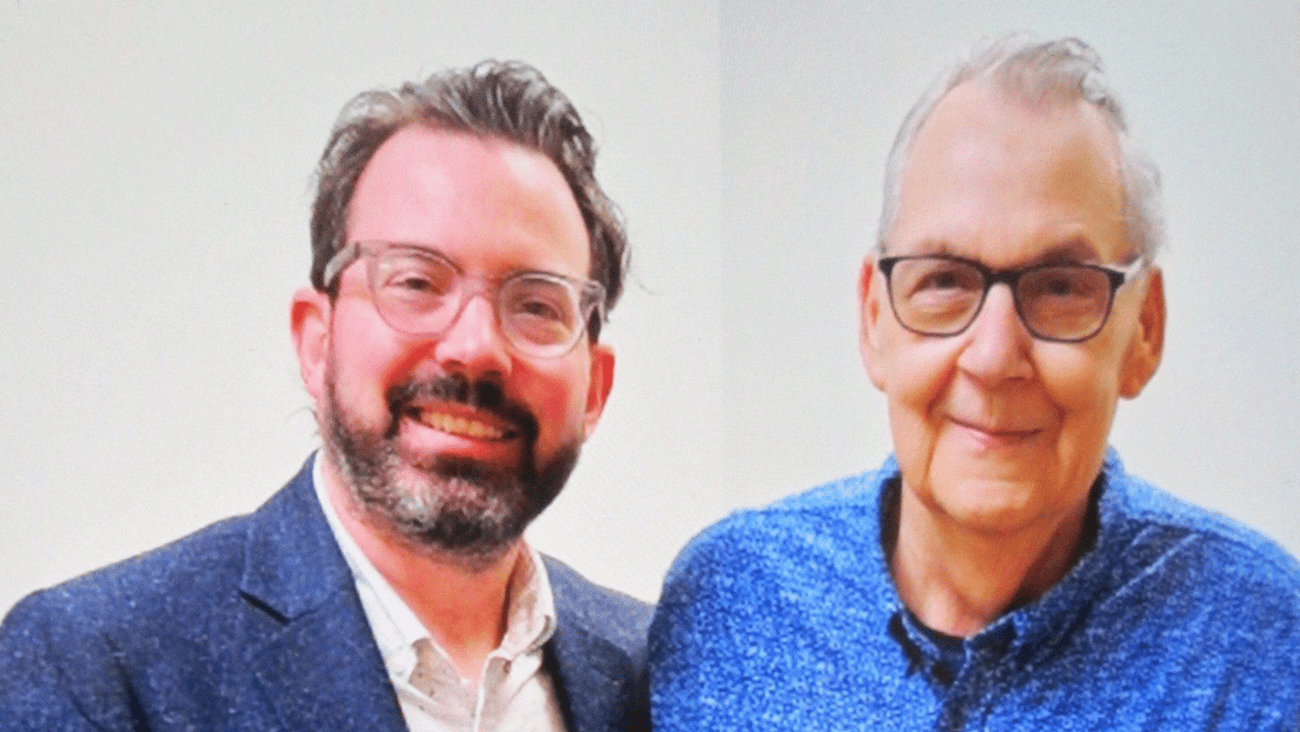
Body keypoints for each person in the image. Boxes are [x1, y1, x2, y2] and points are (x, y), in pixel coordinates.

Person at [649, 35, 1300, 730]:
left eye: (1059, 287)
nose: (993, 357)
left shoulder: (1260, 646)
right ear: (875, 320)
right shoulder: (729, 606)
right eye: (945, 282)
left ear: (1144, 331)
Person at [0, 60, 650, 732]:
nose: (477, 347)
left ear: (595, 389)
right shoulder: (97, 666)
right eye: (417, 283)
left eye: (536, 305)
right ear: (317, 342)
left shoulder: (658, 675)